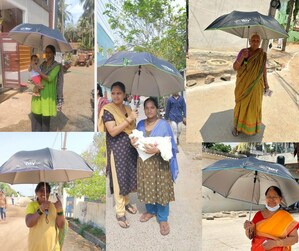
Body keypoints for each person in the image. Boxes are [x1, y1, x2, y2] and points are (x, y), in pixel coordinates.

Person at [131, 97, 179, 236]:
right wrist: (133, 143)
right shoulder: (139, 124)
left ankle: (163, 219)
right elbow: (136, 141)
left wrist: (157, 150)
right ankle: (151, 211)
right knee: (147, 186)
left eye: (152, 107)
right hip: (144, 163)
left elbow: (171, 146)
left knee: (162, 188)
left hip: (160, 163)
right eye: (146, 108)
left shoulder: (164, 125)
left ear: (157, 109)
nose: (149, 110)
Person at [98, 81, 139, 228]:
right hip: (116, 149)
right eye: (113, 93)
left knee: (127, 177)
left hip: (129, 148)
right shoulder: (108, 109)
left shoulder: (128, 108)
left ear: (124, 94)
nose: (115, 96)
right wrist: (129, 119)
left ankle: (126, 203)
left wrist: (133, 119)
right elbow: (113, 131)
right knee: (118, 179)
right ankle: (120, 211)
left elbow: (132, 129)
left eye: (119, 93)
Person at [232, 33, 269, 136]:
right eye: (253, 40)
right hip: (243, 86)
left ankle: (251, 128)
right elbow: (235, 67)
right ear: (249, 41)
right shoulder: (243, 52)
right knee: (241, 105)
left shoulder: (262, 54)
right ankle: (237, 127)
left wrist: (266, 83)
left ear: (260, 42)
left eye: (257, 41)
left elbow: (263, 70)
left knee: (254, 107)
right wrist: (242, 58)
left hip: (257, 85)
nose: (255, 43)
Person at [244, 186, 299, 250]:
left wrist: (275, 243)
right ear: (266, 198)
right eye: (269, 197)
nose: (271, 199)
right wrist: (248, 229)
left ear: (280, 199)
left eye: (275, 197)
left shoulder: (286, 217)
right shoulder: (258, 215)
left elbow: (295, 239)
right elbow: (250, 236)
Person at [31, 45, 64, 131]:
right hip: (38, 91)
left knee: (45, 116)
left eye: (49, 52)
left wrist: (38, 71)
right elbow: (36, 76)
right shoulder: (42, 64)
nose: (47, 54)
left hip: (48, 94)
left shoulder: (57, 66)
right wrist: (36, 82)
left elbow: (50, 78)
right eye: (46, 52)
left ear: (54, 54)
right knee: (36, 113)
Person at [25, 182, 66, 251]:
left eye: (47, 191)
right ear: (36, 193)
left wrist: (60, 211)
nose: (44, 193)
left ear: (49, 193)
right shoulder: (32, 205)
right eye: (41, 190)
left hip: (53, 248)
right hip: (36, 248)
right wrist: (41, 209)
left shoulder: (54, 206)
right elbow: (29, 223)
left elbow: (61, 225)